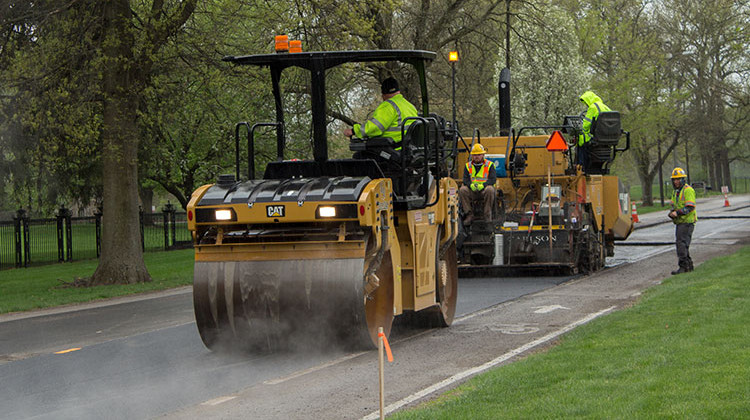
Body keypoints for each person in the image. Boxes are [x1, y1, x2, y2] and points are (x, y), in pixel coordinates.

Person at [343, 77, 418, 148]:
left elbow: (375, 127)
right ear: (398, 91)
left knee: (359, 156)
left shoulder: (388, 106)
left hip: (393, 148)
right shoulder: (409, 105)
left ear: (384, 94)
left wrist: (354, 131)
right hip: (408, 148)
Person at [668, 167, 697, 275]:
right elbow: (674, 205)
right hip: (680, 222)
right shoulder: (675, 192)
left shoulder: (688, 190)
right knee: (683, 244)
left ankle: (684, 267)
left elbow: (690, 207)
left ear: (683, 179)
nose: (676, 181)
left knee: (681, 244)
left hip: (687, 222)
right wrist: (672, 213)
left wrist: (678, 213)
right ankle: (689, 266)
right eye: (674, 179)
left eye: (678, 179)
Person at [459, 143, 497, 225]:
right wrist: (470, 185)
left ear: (483, 155)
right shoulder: (467, 166)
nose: (477, 156)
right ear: (472, 156)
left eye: (479, 154)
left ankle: (487, 216)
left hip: (484, 191)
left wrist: (483, 186)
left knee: (490, 189)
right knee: (462, 190)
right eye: (474, 155)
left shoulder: (490, 165)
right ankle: (469, 214)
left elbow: (492, 179)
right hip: (472, 191)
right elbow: (465, 179)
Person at [577, 90, 611, 170]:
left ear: (589, 100)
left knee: (581, 139)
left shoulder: (593, 107)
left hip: (596, 139)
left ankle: (582, 167)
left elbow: (585, 126)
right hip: (607, 139)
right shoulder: (605, 107)